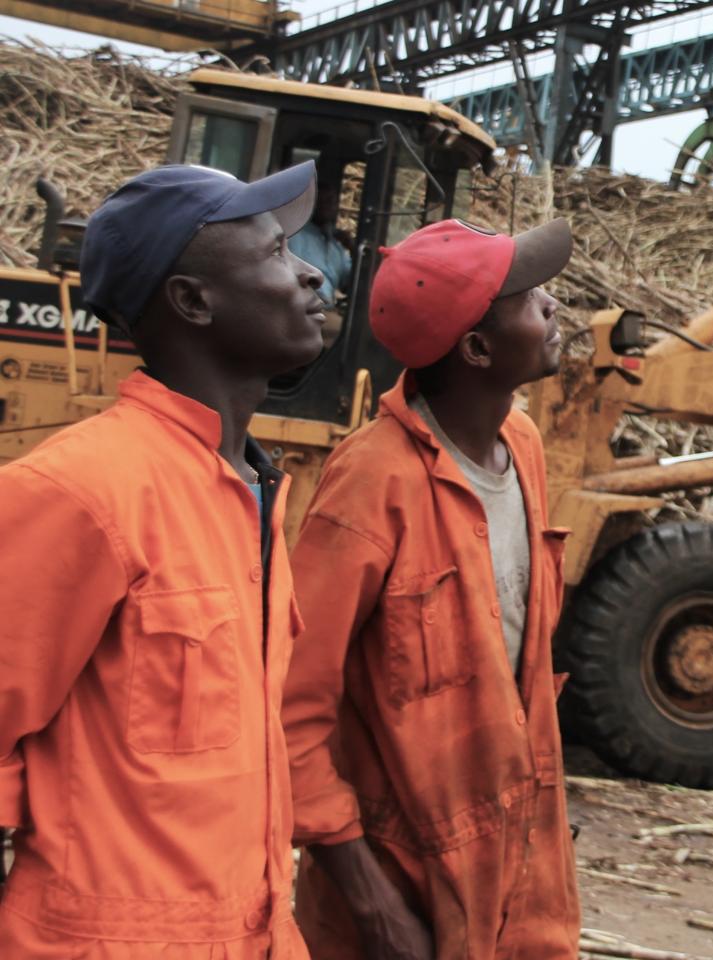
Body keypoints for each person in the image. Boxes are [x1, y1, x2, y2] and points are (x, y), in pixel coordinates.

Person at [0, 161, 327, 956]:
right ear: (192, 301)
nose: (312, 271)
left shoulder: (253, 487)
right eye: (278, 252)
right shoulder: (81, 492)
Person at [283, 217, 580, 959]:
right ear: (477, 349)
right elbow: (293, 710)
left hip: (520, 874)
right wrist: (374, 905)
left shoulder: (526, 448)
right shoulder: (372, 481)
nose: (552, 306)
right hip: (398, 889)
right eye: (527, 296)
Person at [288, 174, 352, 306]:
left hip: (325, 309)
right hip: (302, 306)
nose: (327, 206)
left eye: (331, 201)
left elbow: (348, 284)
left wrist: (354, 250)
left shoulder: (336, 246)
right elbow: (293, 277)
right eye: (322, 201)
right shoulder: (297, 236)